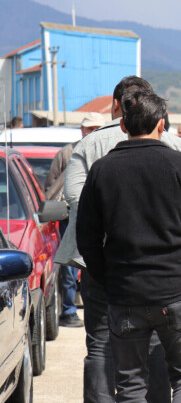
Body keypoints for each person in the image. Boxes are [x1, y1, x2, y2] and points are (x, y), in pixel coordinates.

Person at [54, 76, 181, 403]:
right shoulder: (180, 149)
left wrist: (101, 265)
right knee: (162, 356)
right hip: (170, 276)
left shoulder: (89, 147)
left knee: (102, 349)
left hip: (107, 268)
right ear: (157, 112)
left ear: (116, 109)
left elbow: (77, 204)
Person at [43, 112, 105, 329]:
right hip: (71, 217)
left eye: (97, 128)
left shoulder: (109, 152)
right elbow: (51, 187)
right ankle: (69, 311)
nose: (92, 132)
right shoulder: (67, 153)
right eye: (89, 128)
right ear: (82, 130)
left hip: (101, 218)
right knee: (70, 267)